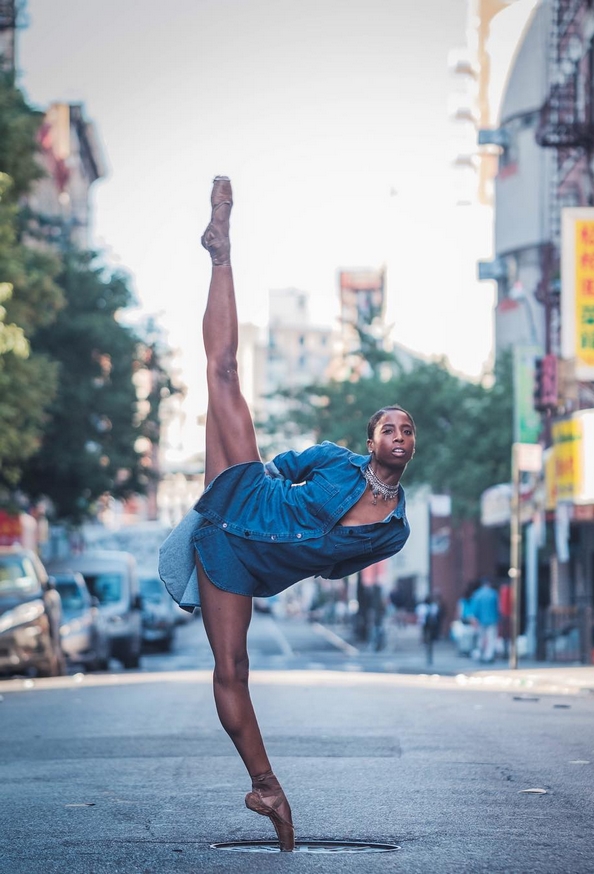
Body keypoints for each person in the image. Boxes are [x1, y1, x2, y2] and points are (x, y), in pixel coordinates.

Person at [158, 177, 415, 852]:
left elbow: (334, 570)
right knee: (223, 375)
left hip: (239, 564)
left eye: (407, 429)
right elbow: (285, 465)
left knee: (232, 668)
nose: (398, 434)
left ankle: (264, 785)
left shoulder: (394, 530)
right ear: (369, 441)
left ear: (411, 447)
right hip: (247, 492)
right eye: (387, 426)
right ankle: (221, 249)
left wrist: (292, 553)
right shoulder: (334, 462)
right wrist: (251, 484)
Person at [470, 577, 500, 663]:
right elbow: (498, 608)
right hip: (492, 619)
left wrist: (474, 618)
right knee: (491, 639)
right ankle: (488, 656)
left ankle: (480, 654)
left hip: (481, 620)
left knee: (481, 638)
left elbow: (474, 609)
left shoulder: (477, 594)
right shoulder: (493, 593)